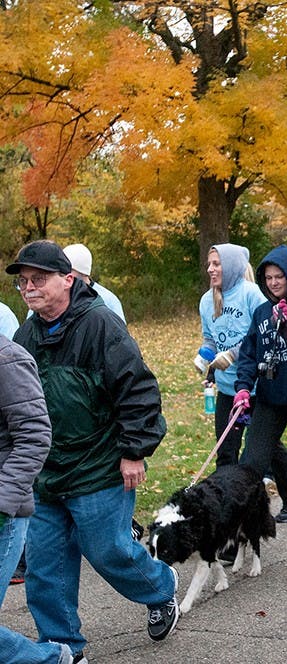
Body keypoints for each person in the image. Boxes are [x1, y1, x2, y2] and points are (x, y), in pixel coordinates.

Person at [7, 241, 179, 657]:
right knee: (45, 569)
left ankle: (160, 588)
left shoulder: (100, 324)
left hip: (99, 466)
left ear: (68, 280)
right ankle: (63, 648)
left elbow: (138, 388)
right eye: (23, 282)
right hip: (45, 474)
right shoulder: (25, 335)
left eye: (39, 279)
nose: (30, 288)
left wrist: (135, 450)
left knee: (108, 550)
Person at [233, 245, 287, 525]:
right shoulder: (261, 313)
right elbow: (249, 354)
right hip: (271, 399)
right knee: (251, 464)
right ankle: (240, 533)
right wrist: (243, 388)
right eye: (269, 278)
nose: (273, 283)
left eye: (279, 276)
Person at [0, 333, 75, 664]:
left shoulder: (8, 359)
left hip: (5, 517)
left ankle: (51, 658)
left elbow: (34, 436)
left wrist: (2, 504)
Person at [198, 243, 268, 467]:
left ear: (231, 266)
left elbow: (263, 334)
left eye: (216, 264)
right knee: (225, 451)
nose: (211, 269)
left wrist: (233, 354)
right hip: (228, 388)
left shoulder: (251, 294)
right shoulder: (206, 300)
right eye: (209, 264)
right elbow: (210, 338)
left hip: (255, 387)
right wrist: (204, 356)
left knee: (267, 449)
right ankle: (225, 499)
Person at [62, 243, 126, 324]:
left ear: (83, 272)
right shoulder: (59, 297)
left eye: (68, 270)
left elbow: (119, 334)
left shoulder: (108, 300)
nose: (64, 275)